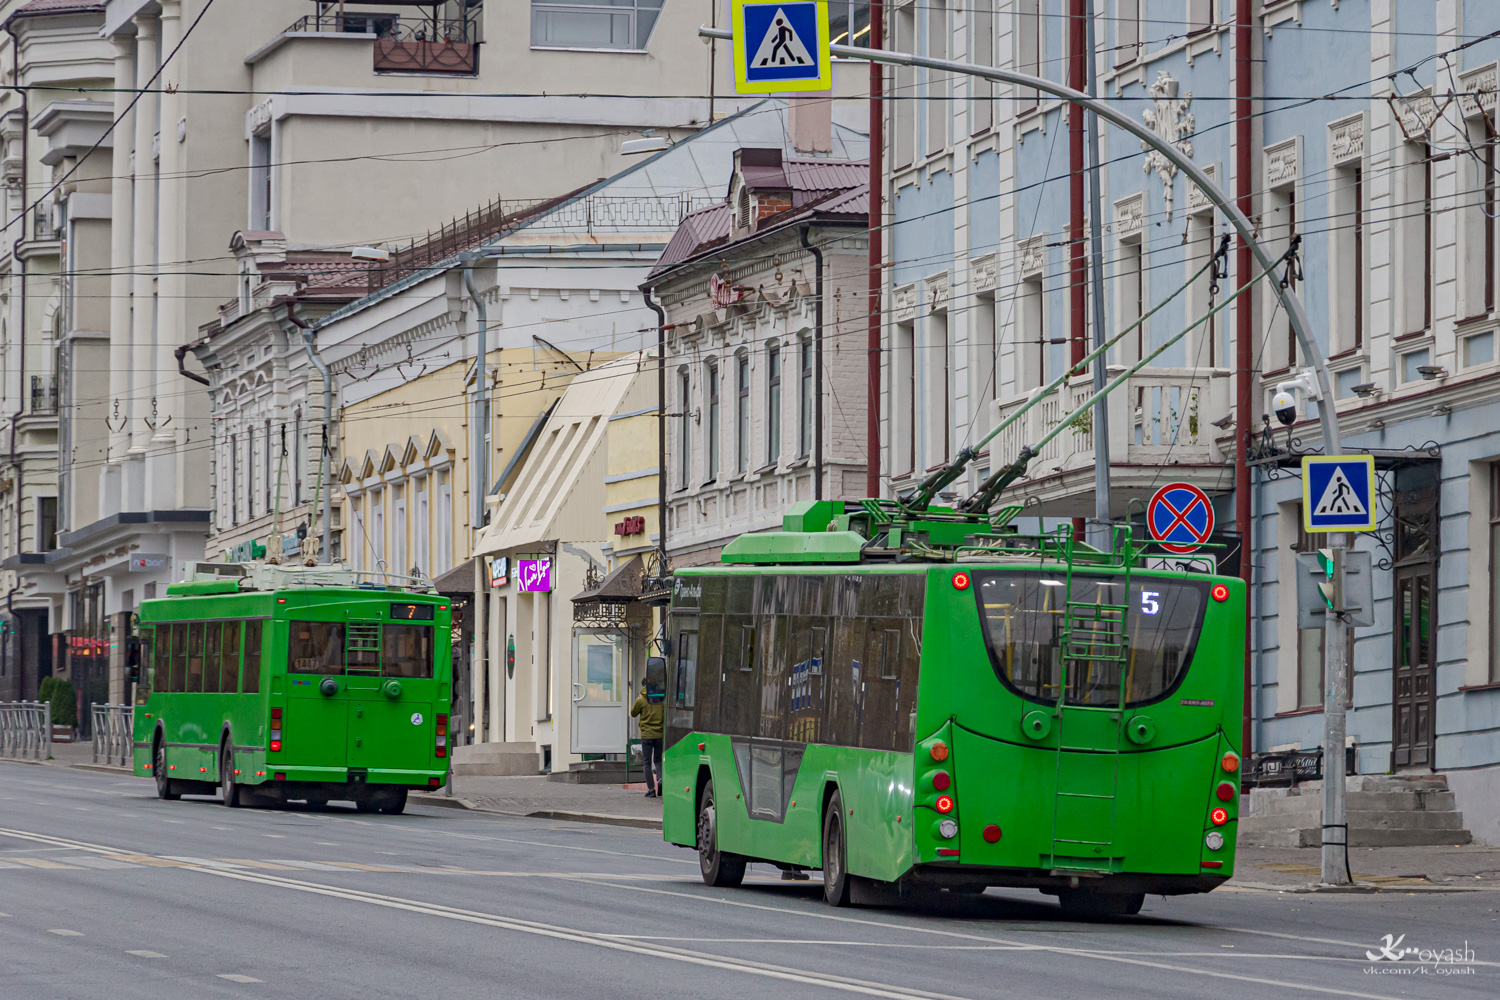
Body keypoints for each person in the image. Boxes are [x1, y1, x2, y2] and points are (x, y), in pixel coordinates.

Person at [631, 684, 663, 798]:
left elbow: (633, 713)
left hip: (646, 735)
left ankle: (651, 789)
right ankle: (660, 780)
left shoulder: (641, 700)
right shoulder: (661, 699)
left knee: (647, 764)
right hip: (660, 734)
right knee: (658, 760)